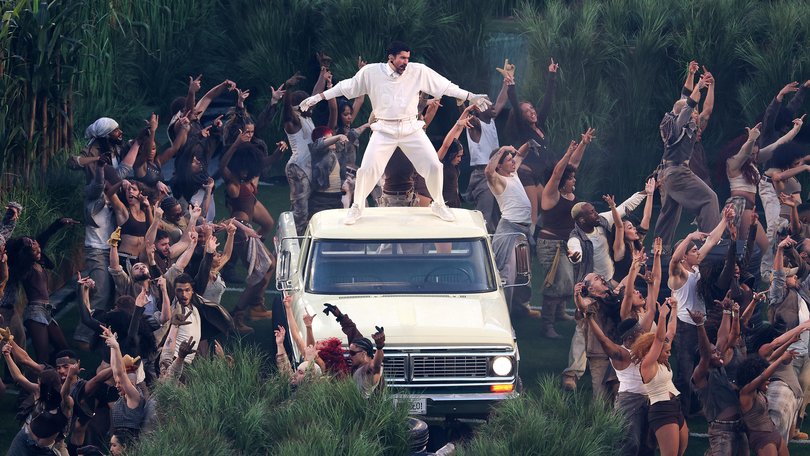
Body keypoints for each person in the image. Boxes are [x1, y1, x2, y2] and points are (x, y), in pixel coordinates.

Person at [299, 40, 492, 225]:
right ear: (391, 57)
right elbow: (346, 86)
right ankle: (357, 207)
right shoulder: (371, 72)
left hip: (411, 128)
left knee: (434, 165)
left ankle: (438, 204)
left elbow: (445, 86)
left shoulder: (417, 71)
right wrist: (318, 97)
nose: (406, 62)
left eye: (408, 58)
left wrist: (471, 96)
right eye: (402, 58)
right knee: (367, 169)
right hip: (384, 129)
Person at [667, 207, 732, 415]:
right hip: (685, 327)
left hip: (700, 324)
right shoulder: (678, 274)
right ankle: (681, 413)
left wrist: (724, 220)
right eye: (694, 251)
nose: (698, 252)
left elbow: (711, 241)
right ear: (685, 256)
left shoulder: (694, 267)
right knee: (685, 372)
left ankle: (700, 407)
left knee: (706, 363)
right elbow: (673, 259)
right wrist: (688, 236)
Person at [653, 69, 720, 251]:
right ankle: (711, 244)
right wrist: (699, 85)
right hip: (677, 172)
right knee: (709, 198)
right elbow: (688, 104)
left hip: (668, 174)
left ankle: (659, 249)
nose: (696, 113)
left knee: (669, 212)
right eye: (693, 112)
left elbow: (689, 99)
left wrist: (693, 76)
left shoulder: (679, 125)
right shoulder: (677, 126)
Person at [536, 132, 593, 338]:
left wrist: (583, 145)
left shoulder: (568, 192)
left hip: (567, 243)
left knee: (568, 281)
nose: (574, 179)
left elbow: (572, 165)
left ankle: (560, 313)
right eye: (570, 178)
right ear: (562, 181)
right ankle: (547, 325)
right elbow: (557, 173)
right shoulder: (551, 194)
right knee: (556, 283)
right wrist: (568, 152)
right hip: (551, 244)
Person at [6, 217, 80, 363]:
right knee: (43, 355)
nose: (38, 250)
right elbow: (14, 254)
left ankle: (55, 371)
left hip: (47, 310)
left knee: (64, 349)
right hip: (35, 312)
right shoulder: (26, 268)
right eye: (34, 250)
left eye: (38, 247)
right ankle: (39, 376)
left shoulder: (39, 262)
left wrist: (59, 223)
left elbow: (44, 236)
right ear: (27, 253)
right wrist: (21, 243)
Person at [505, 59, 559, 230]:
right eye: (527, 111)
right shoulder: (524, 130)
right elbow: (515, 105)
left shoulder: (539, 126)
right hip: (526, 174)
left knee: (548, 207)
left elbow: (547, 102)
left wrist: (552, 75)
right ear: (522, 117)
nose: (532, 112)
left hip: (536, 176)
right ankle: (528, 240)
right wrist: (511, 87)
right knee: (533, 213)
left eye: (532, 109)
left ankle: (536, 234)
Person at [632, 298, 689, 456]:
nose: (669, 354)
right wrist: (662, 315)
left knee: (680, 451)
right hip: (662, 410)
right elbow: (659, 339)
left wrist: (675, 309)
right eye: (666, 351)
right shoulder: (647, 364)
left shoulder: (662, 361)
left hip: (675, 405)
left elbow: (671, 332)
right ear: (653, 351)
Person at [688, 308, 748, 455]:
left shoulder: (720, 368)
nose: (718, 353)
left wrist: (727, 311)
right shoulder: (701, 375)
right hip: (722, 431)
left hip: (739, 427)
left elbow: (723, 337)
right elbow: (705, 354)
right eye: (714, 352)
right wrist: (700, 325)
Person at [485, 145, 536, 318]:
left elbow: (520, 155)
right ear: (499, 165)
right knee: (507, 275)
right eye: (508, 160)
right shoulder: (497, 179)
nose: (513, 162)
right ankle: (502, 317)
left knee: (524, 273)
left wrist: (529, 144)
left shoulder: (513, 173)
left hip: (522, 230)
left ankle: (521, 309)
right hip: (509, 230)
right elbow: (488, 171)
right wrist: (502, 150)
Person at [464, 73, 510, 232]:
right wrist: (463, 105)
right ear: (478, 108)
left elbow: (501, 101)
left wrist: (506, 83)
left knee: (497, 215)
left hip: (496, 172)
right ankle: (479, 243)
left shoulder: (490, 121)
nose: (493, 106)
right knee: (485, 216)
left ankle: (494, 244)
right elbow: (467, 116)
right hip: (483, 174)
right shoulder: (475, 124)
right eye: (489, 104)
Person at [322, 303, 386, 396]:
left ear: (363, 354)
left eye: (352, 353)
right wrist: (340, 316)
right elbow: (352, 331)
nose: (349, 356)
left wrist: (379, 347)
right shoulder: (359, 354)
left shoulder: (368, 371)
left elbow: (376, 366)